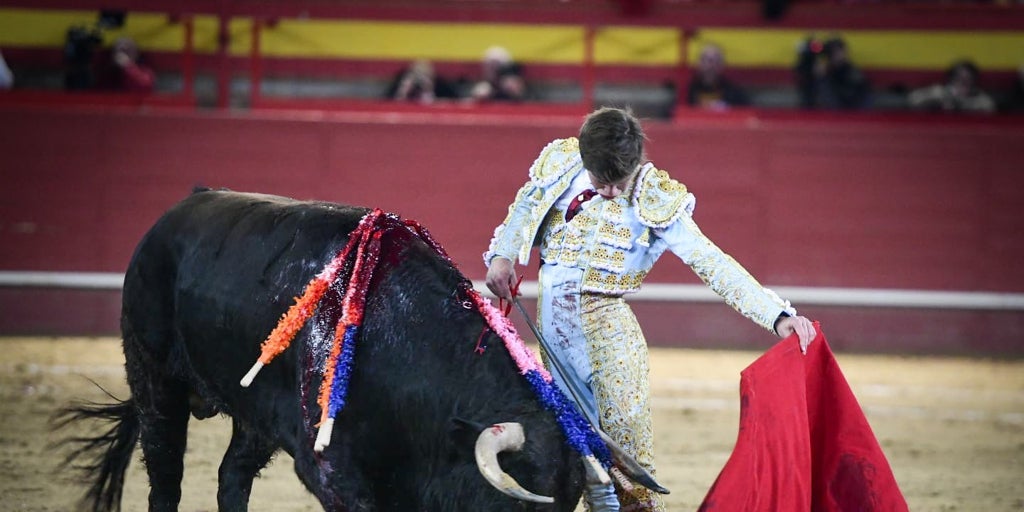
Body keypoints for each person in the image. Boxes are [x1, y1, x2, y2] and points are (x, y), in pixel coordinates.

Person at [483, 107, 815, 511]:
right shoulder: (562, 163)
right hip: (552, 327)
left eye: (618, 183)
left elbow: (710, 260)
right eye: (600, 182)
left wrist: (776, 315)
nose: (610, 192)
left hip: (609, 328)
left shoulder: (654, 195)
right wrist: (502, 256)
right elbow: (525, 205)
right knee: (578, 445)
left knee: (626, 452)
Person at [795, 36, 870, 110]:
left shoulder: (850, 73)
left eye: (836, 52)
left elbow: (838, 104)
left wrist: (823, 79)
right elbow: (807, 102)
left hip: (848, 114)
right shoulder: (826, 70)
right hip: (818, 116)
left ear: (844, 52)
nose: (833, 56)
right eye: (830, 53)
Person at [908, 60, 996, 114]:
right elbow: (913, 100)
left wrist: (960, 105)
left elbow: (989, 109)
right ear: (951, 78)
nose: (963, 82)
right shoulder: (938, 92)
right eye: (959, 77)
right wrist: (936, 102)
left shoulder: (981, 99)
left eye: (968, 78)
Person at [686, 43, 750, 110]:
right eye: (707, 60)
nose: (711, 65)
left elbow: (746, 111)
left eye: (716, 61)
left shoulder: (732, 91)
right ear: (699, 63)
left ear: (721, 65)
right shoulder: (689, 88)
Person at [384, 59, 459, 104]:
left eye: (425, 74)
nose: (420, 79)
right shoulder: (402, 83)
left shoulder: (440, 86)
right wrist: (402, 92)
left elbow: (454, 103)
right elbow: (386, 103)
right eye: (417, 73)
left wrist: (430, 91)